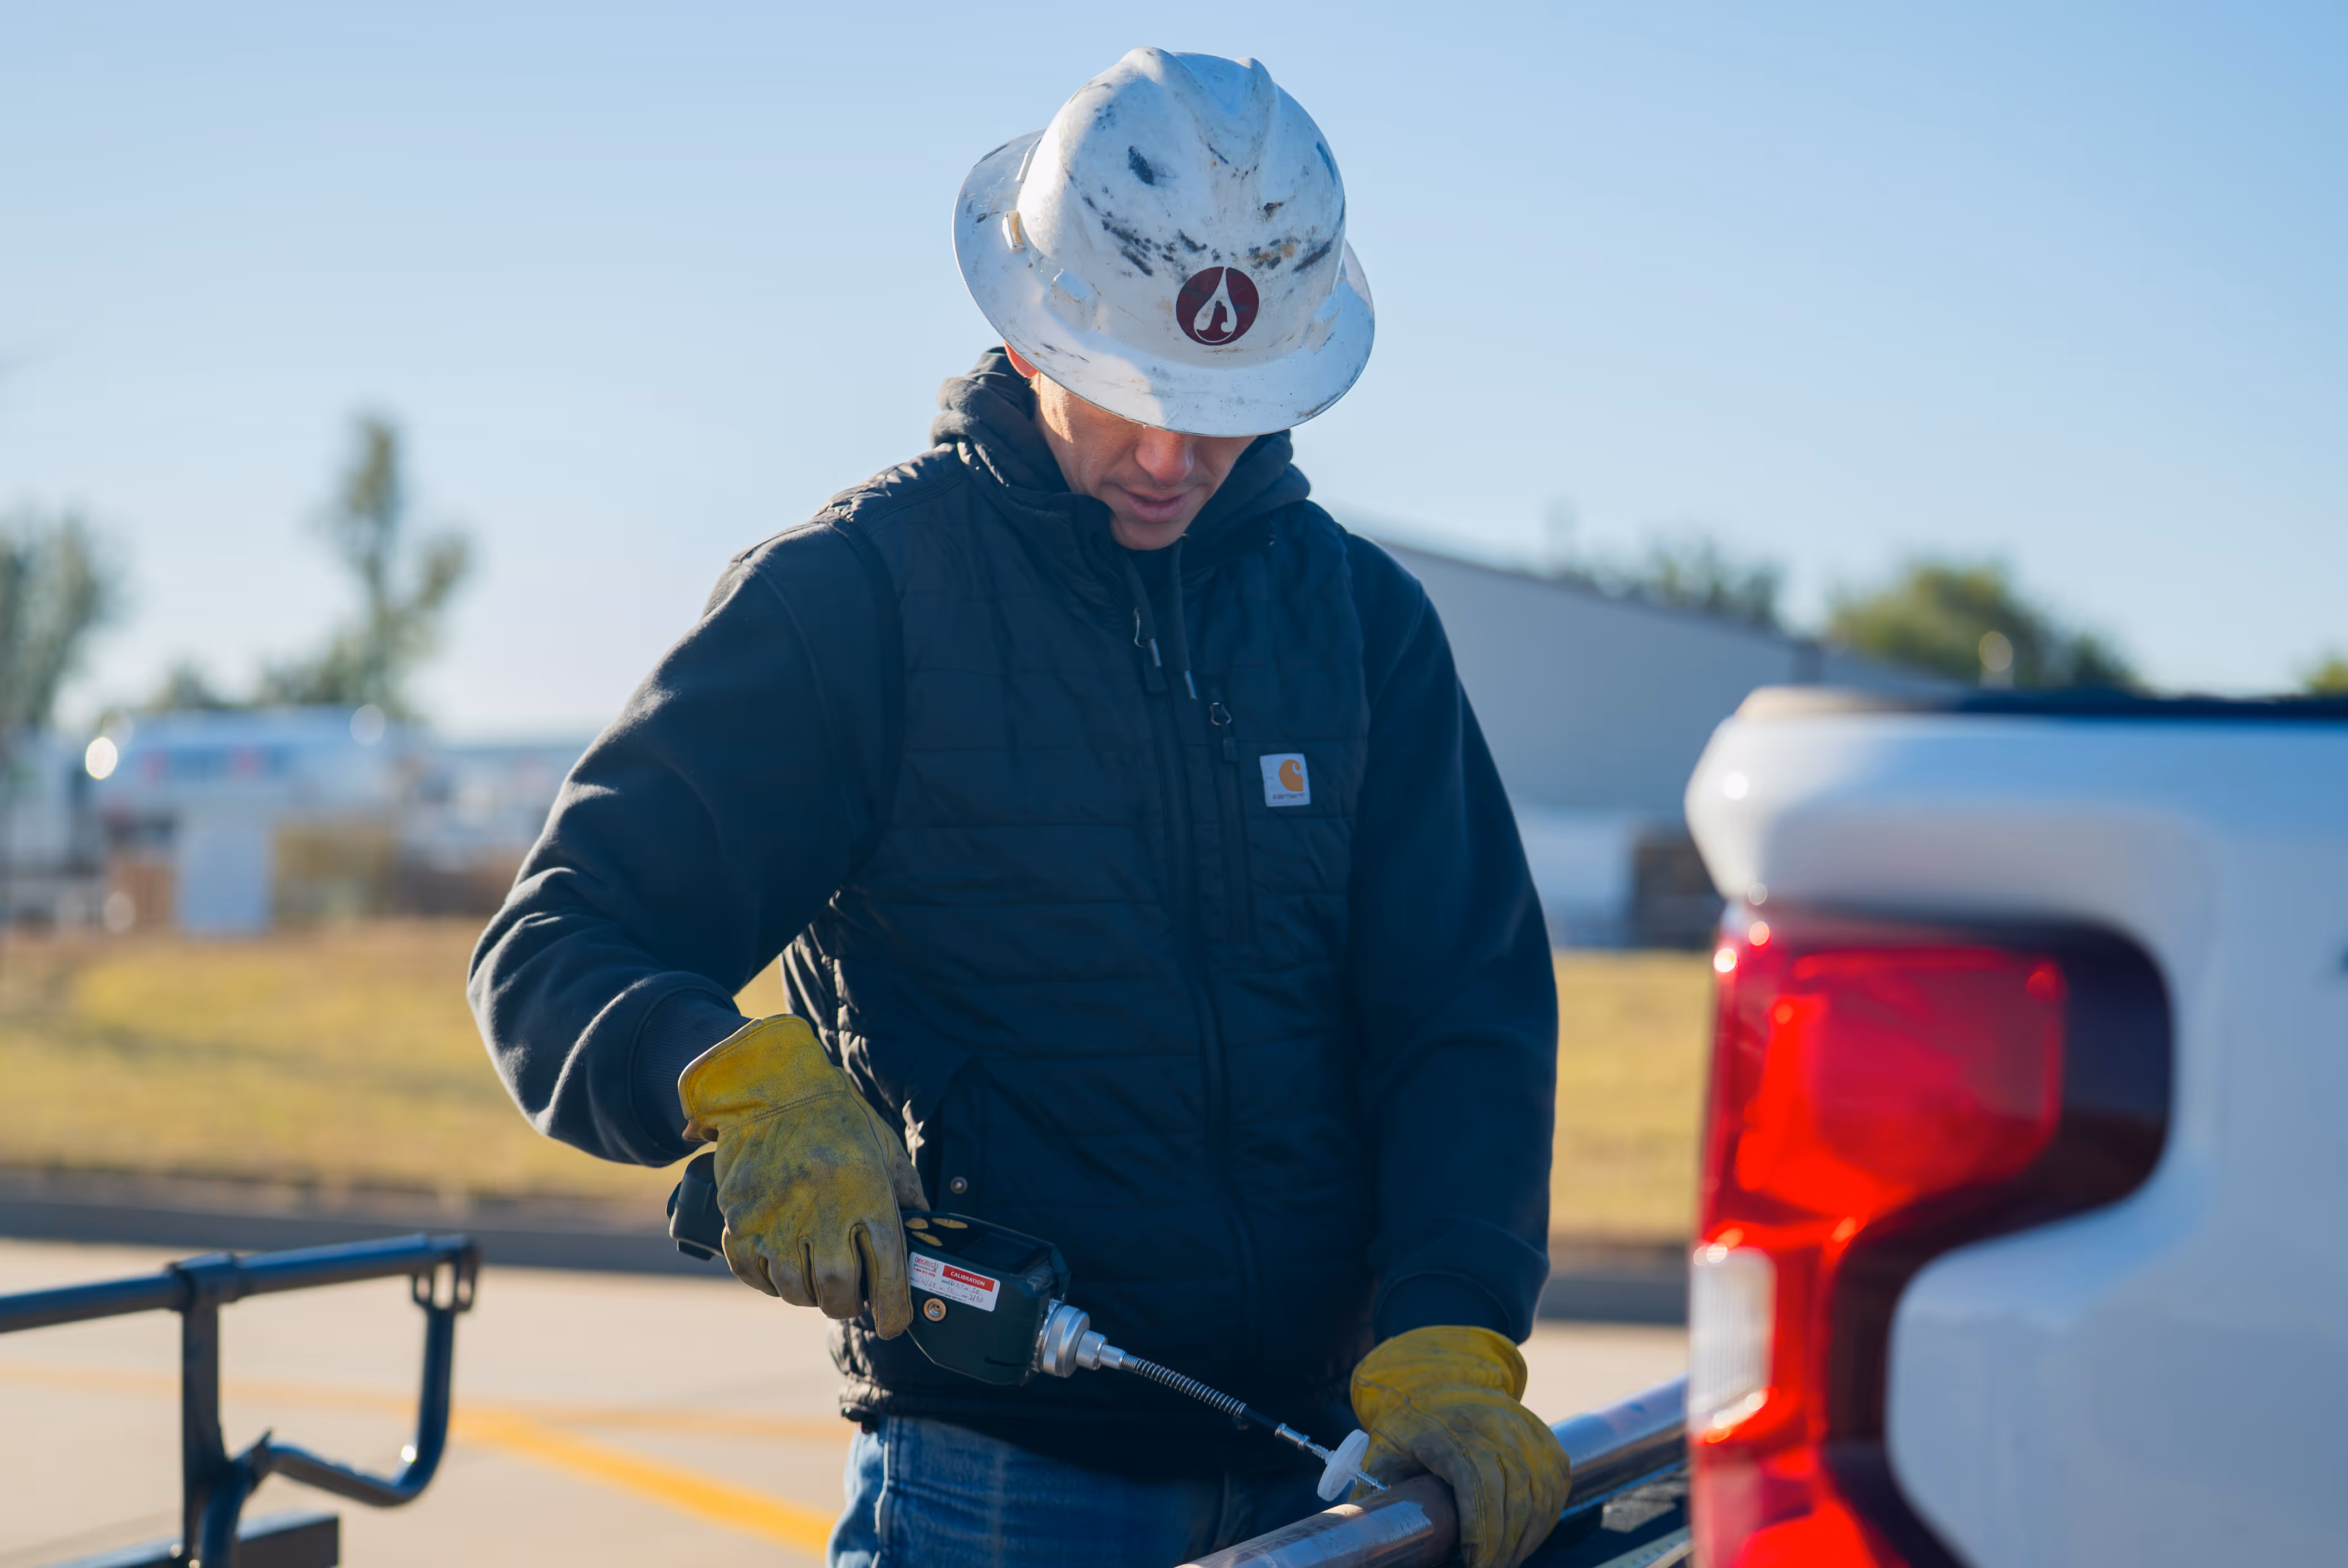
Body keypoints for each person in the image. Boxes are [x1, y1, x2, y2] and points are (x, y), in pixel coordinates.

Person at [470, 46, 1567, 1568]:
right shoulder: (859, 603)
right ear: (1031, 327)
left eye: (1224, 406)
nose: (1173, 457)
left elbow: (1465, 1015)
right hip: (997, 1489)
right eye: (1131, 394)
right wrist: (734, 1082)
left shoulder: (1361, 628)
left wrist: (1451, 1330)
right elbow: (556, 945)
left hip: (1333, 1478)